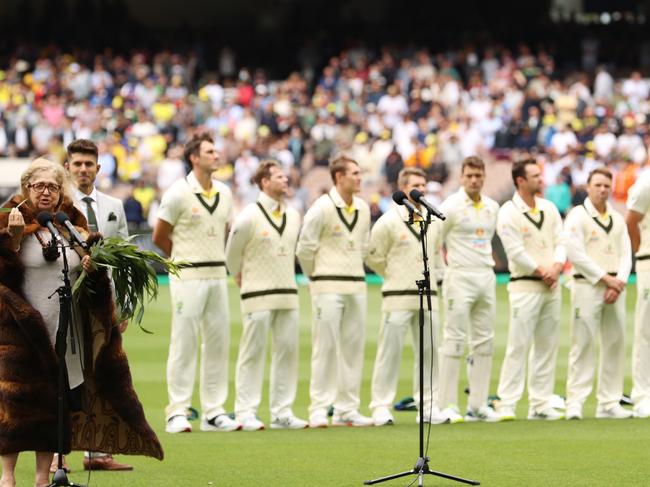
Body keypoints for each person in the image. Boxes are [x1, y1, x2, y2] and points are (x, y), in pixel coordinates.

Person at [0, 159, 162, 487]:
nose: (46, 192)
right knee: (15, 407)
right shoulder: (9, 221)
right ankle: (7, 478)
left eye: (53, 187)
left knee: (53, 406)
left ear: (61, 192)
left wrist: (91, 270)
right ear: (25, 188)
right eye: (39, 186)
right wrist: (13, 242)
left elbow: (87, 281)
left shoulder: (69, 224)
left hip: (65, 328)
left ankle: (44, 478)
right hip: (21, 333)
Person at [153, 133, 241, 433]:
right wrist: (182, 261)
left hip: (218, 274)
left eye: (216, 151)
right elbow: (159, 237)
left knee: (217, 343)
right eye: (210, 151)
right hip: (187, 276)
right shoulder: (178, 192)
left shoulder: (225, 193)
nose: (217, 155)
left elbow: (226, 233)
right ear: (194, 157)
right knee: (184, 342)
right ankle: (177, 410)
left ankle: (213, 411)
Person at [63, 138, 132, 471]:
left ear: (98, 168)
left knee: (101, 372)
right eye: (77, 164)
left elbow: (124, 258)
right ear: (68, 167)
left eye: (89, 164)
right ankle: (59, 453)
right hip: (67, 300)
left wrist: (125, 304)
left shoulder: (113, 206)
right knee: (66, 372)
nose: (83, 169)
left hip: (103, 302)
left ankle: (96, 452)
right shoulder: (59, 204)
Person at [226, 160, 308, 431]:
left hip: (287, 292)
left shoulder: (294, 214)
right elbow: (232, 253)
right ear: (264, 182)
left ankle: (282, 411)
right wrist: (240, 276)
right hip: (257, 293)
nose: (285, 180)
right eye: (279, 176)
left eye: (286, 176)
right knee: (253, 352)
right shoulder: (249, 215)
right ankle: (246, 411)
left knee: (287, 351)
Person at [366, 168, 449, 426]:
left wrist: (439, 279)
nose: (421, 189)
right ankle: (381, 405)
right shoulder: (389, 221)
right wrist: (393, 275)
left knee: (429, 351)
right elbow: (373, 256)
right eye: (416, 184)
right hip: (397, 295)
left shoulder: (432, 221)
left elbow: (435, 256)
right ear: (403, 187)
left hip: (427, 296)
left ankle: (427, 405)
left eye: (423, 184)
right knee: (389, 352)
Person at [297, 155, 373, 428]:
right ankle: (319, 408)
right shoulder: (321, 208)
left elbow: (364, 245)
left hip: (356, 283)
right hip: (327, 284)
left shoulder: (363, 208)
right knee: (325, 347)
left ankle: (347, 408)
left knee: (353, 348)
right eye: (354, 172)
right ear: (339, 177)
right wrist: (314, 278)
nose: (359, 177)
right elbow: (305, 249)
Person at [494, 159, 566, 421]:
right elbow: (514, 250)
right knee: (518, 345)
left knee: (547, 346)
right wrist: (542, 270)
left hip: (551, 285)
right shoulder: (508, 211)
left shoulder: (548, 208)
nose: (541, 179)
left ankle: (540, 403)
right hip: (525, 285)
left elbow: (561, 240)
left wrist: (557, 266)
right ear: (520, 180)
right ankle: (508, 403)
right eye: (535, 175)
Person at [564, 168, 632, 420]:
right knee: (583, 343)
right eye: (598, 185)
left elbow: (626, 253)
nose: (603, 190)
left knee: (615, 343)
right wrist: (605, 279)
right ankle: (575, 402)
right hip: (587, 285)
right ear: (588, 186)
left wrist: (619, 281)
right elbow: (575, 252)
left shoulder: (616, 217)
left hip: (615, 287)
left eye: (606, 185)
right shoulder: (577, 216)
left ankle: (609, 401)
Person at [437, 156, 501, 422]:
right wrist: (443, 274)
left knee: (484, 342)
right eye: (469, 175)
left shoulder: (492, 207)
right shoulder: (450, 206)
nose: (474, 180)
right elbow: (434, 240)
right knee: (453, 340)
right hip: (459, 276)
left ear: (484, 176)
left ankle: (477, 404)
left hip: (485, 276)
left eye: (478, 175)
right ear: (462, 177)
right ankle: (447, 405)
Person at [625, 170, 650, 418]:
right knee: (646, 331)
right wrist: (640, 250)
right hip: (649, 262)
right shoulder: (646, 183)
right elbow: (631, 221)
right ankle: (643, 395)